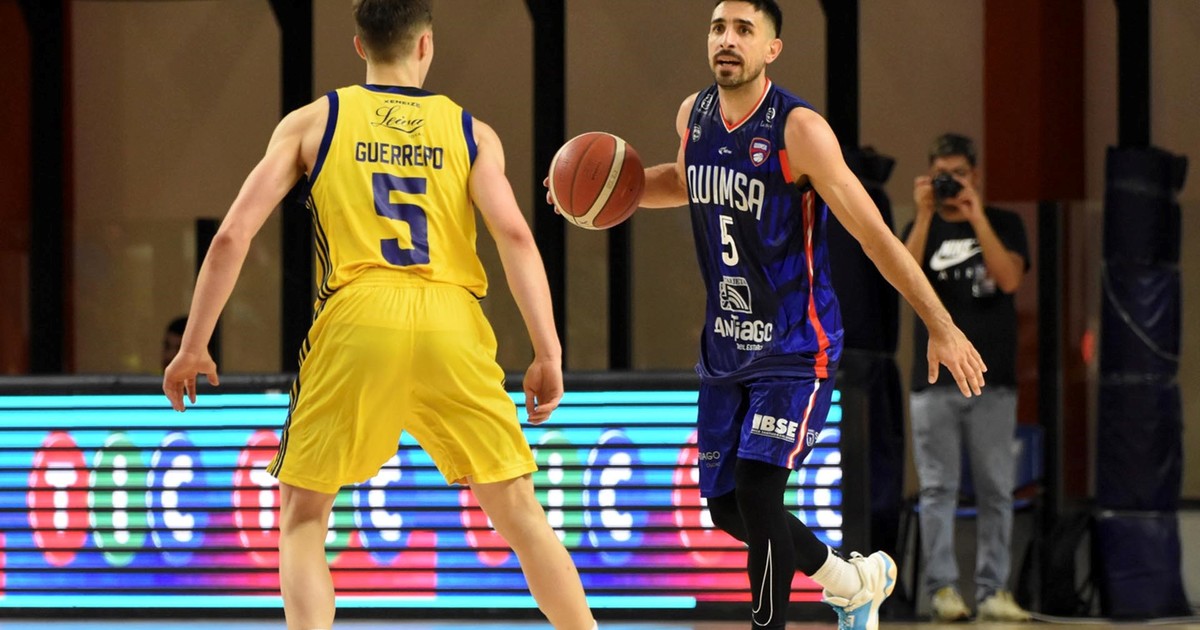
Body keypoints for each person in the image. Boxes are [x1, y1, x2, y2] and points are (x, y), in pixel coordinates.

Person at [162, 1, 597, 629]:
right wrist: (548, 351)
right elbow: (515, 238)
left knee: (303, 518)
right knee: (521, 514)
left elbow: (233, 235)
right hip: (452, 320)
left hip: (358, 316)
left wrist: (194, 344)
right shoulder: (473, 133)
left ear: (360, 47)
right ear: (426, 46)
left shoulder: (314, 122)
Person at [556, 2, 987, 629]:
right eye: (718, 28)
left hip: (793, 346)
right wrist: (595, 196)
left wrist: (940, 324)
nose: (727, 40)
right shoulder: (694, 116)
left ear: (772, 49)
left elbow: (874, 236)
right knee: (727, 509)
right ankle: (852, 582)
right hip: (725, 347)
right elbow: (687, 181)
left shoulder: (799, 130)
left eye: (743, 30)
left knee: (759, 494)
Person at [902, 133, 1031, 622]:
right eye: (942, 175)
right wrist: (924, 216)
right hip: (934, 382)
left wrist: (976, 216)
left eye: (959, 174)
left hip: (992, 381)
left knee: (997, 489)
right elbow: (903, 278)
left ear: (975, 175)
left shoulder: (1003, 223)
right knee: (938, 489)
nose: (951, 183)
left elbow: (1010, 279)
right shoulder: (922, 225)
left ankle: (994, 590)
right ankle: (942, 590)